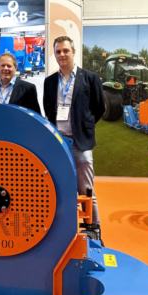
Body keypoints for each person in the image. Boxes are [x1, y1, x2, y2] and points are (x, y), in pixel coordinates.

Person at [43, 36, 105, 240]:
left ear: (74, 52)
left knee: (86, 191)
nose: (62, 55)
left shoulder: (90, 78)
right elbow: (48, 109)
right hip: (58, 144)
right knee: (59, 189)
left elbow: (99, 108)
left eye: (65, 51)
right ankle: (64, 235)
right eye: (58, 51)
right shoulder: (50, 82)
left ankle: (94, 233)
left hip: (81, 144)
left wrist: (83, 128)